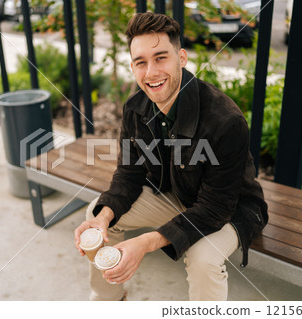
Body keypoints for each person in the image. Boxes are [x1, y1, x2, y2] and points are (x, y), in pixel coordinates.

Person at [74, 12, 268, 301]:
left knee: (202, 257)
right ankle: (108, 299)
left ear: (182, 58)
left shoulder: (226, 120)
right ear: (133, 66)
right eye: (141, 62)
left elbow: (215, 208)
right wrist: (104, 218)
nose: (151, 72)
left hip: (232, 208)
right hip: (178, 196)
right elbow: (129, 174)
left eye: (161, 58)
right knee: (97, 214)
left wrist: (145, 243)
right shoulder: (135, 108)